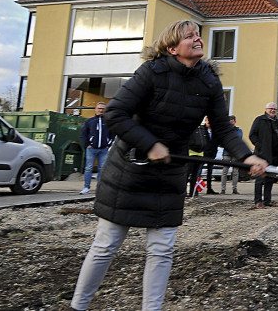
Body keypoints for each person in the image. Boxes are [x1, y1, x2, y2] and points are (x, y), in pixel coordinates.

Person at [70, 20, 267, 311]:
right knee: (106, 244)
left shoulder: (209, 80)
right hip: (129, 169)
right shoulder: (151, 72)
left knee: (162, 249)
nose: (197, 39)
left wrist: (246, 156)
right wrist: (149, 143)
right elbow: (116, 113)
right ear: (172, 48)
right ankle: (78, 306)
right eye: (189, 36)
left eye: (198, 34)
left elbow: (223, 128)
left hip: (170, 171)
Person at [250, 102, 278, 209]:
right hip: (261, 154)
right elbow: (252, 135)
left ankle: (267, 200)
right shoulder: (260, 120)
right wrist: (259, 146)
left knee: (270, 179)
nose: (273, 110)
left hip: (274, 155)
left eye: (275, 109)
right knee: (260, 179)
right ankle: (258, 201)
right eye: (271, 109)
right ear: (266, 109)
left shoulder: (277, 123)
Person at [79, 101, 113, 194]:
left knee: (102, 169)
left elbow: (113, 133)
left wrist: (109, 143)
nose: (101, 110)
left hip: (104, 149)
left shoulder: (108, 121)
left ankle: (100, 188)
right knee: (88, 168)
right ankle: (86, 187)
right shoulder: (89, 121)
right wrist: (87, 144)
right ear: (95, 109)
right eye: (99, 108)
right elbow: (83, 134)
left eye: (103, 109)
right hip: (91, 149)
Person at [220, 115, 244, 194]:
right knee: (225, 171)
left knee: (235, 171)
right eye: (229, 121)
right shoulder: (225, 130)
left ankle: (234, 188)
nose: (231, 122)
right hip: (227, 153)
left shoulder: (238, 130)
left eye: (232, 120)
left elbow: (239, 139)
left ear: (235, 122)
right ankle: (223, 189)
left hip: (236, 153)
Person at [201, 116, 219, 194]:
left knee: (210, 173)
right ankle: (195, 188)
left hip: (212, 154)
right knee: (199, 171)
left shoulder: (215, 131)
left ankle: (209, 188)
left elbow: (216, 142)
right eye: (207, 121)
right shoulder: (202, 129)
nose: (208, 122)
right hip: (203, 153)